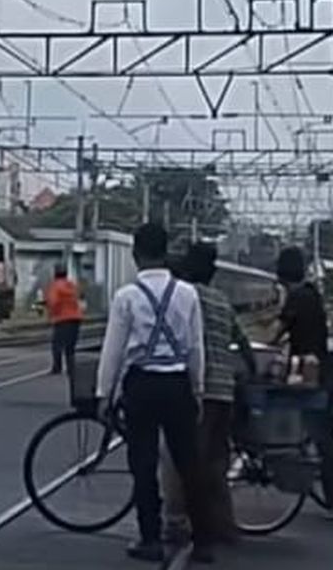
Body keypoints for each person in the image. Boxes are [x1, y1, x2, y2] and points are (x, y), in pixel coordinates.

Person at [96, 223, 210, 563]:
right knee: (189, 463)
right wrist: (198, 388)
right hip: (177, 384)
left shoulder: (127, 296)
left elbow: (113, 350)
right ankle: (203, 541)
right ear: (167, 252)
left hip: (142, 385)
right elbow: (195, 348)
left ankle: (150, 538)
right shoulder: (188, 293)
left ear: (135, 254)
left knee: (143, 464)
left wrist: (105, 392)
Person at [162, 242, 254, 545]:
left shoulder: (184, 296)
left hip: (197, 392)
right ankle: (224, 527)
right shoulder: (221, 300)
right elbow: (242, 342)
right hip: (225, 394)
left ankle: (179, 524)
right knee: (216, 462)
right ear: (213, 273)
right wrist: (250, 372)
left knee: (182, 461)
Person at [273, 246, 333, 507]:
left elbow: (277, 330)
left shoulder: (297, 297)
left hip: (315, 374)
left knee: (322, 436)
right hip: (322, 368)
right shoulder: (310, 294)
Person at [45, 263, 83, 377]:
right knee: (70, 346)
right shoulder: (71, 285)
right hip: (76, 318)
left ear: (55, 273)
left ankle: (57, 367)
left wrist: (51, 314)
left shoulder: (55, 286)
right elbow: (79, 298)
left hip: (62, 319)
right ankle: (71, 368)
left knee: (57, 344)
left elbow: (53, 302)